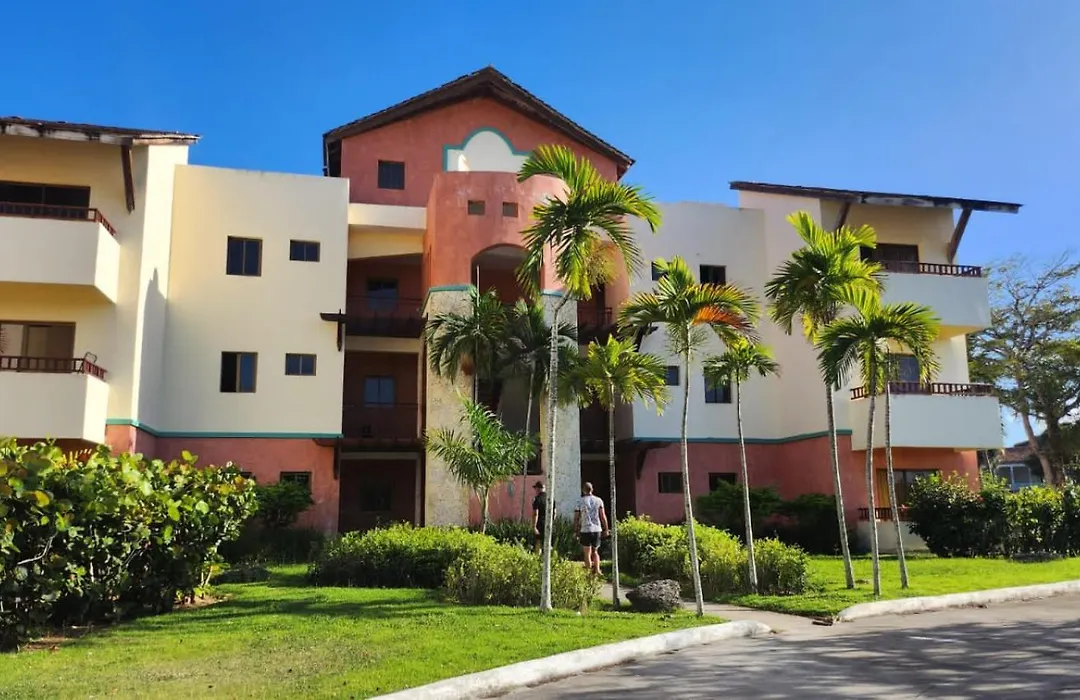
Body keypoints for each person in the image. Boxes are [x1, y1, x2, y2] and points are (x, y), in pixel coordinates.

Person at [573, 482, 608, 575]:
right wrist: (606, 528)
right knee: (595, 551)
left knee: (587, 552)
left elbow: (576, 518)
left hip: (585, 529)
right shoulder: (599, 500)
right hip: (596, 528)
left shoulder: (579, 501)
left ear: (583, 490)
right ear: (592, 489)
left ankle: (589, 571)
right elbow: (603, 516)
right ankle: (597, 570)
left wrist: (575, 530)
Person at [531, 481, 550, 554]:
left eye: (535, 488)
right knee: (547, 542)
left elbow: (535, 514)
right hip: (548, 523)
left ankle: (537, 557)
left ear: (538, 489)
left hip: (540, 523)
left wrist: (534, 526)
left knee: (538, 542)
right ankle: (546, 557)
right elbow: (554, 513)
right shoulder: (550, 498)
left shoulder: (537, 499)